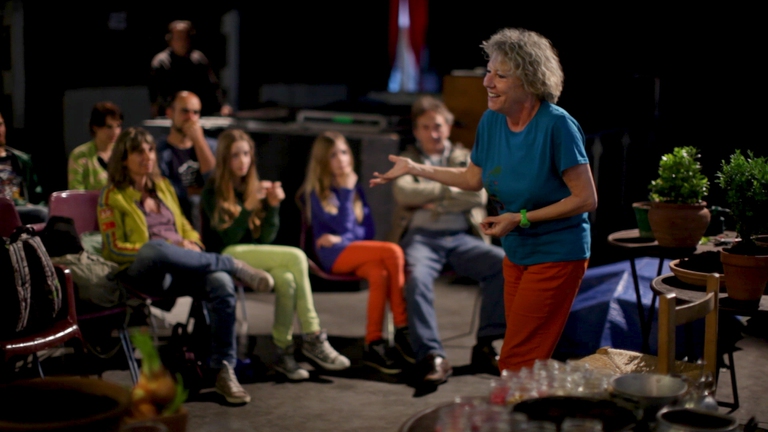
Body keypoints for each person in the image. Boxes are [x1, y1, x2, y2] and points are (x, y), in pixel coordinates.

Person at [371, 28, 597, 373]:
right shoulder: (492, 121)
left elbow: (585, 199)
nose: (487, 82)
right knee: (522, 358)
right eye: (488, 71)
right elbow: (470, 179)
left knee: (517, 358)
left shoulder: (557, 126)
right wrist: (413, 167)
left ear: (529, 80)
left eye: (500, 75)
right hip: (517, 251)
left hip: (557, 252)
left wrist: (519, 218)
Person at [97, 126, 276, 404]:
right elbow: (112, 248)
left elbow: (185, 228)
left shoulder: (164, 188)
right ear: (123, 158)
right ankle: (231, 263)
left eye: (150, 150)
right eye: (138, 151)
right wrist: (169, 248)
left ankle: (224, 369)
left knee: (221, 282)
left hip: (181, 264)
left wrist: (192, 242)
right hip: (144, 270)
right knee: (157, 247)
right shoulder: (112, 196)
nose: (147, 156)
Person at [201, 128, 351, 380]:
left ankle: (284, 352)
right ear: (225, 159)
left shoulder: (251, 187)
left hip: (250, 256)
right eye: (236, 155)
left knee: (287, 278)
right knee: (296, 257)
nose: (242, 161)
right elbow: (229, 239)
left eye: (246, 154)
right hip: (226, 256)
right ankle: (313, 335)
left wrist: (272, 207)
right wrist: (248, 208)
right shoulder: (213, 189)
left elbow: (264, 240)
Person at [387, 96, 506, 385]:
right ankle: (432, 355)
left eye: (438, 126)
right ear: (417, 131)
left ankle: (486, 344)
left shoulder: (466, 157)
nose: (433, 133)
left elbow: (477, 195)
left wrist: (431, 197)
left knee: (503, 264)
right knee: (415, 280)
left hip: (460, 238)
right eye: (426, 127)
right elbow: (404, 194)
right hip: (421, 240)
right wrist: (451, 188)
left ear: (449, 126)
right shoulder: (408, 160)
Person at [299, 131, 413, 374]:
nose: (341, 159)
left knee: (380, 273)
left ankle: (373, 343)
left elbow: (366, 231)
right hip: (332, 257)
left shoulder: (354, 188)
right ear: (322, 161)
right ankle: (404, 328)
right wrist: (347, 193)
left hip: (350, 249)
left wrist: (343, 237)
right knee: (393, 251)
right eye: (332, 155)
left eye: (343, 151)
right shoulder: (318, 192)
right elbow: (343, 227)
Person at [156, 90, 217, 228]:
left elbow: (215, 182)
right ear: (170, 113)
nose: (191, 117)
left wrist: (199, 140)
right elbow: (165, 191)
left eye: (196, 113)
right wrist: (192, 191)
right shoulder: (160, 151)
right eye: (185, 111)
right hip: (175, 217)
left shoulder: (211, 146)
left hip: (209, 217)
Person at [149, 20, 232, 117]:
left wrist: (223, 106)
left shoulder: (198, 59)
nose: (183, 42)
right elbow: (158, 96)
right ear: (170, 40)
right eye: (179, 38)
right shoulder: (161, 62)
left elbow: (213, 88)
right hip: (170, 114)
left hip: (197, 113)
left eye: (185, 38)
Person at [0, 111, 47, 225]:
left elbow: (37, 195)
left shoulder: (21, 159)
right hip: (4, 209)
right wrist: (21, 203)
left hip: (23, 210)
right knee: (42, 213)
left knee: (56, 214)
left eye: (1, 125)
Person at [68, 101, 124, 191]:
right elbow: (76, 194)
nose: (115, 132)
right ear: (95, 127)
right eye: (109, 127)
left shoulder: (122, 152)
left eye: (118, 126)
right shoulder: (80, 155)